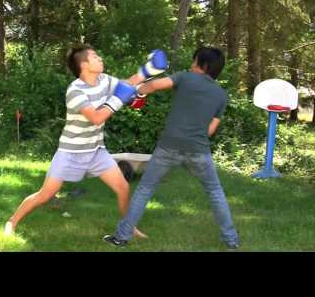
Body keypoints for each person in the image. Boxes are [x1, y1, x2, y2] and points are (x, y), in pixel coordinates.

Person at [4, 44, 168, 238]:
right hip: (70, 151)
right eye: (95, 56)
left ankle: (128, 227)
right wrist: (117, 100)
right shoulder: (75, 91)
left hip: (96, 150)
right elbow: (97, 118)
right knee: (46, 194)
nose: (100, 59)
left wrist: (149, 70)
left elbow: (128, 84)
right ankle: (11, 222)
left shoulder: (104, 80)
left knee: (123, 187)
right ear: (84, 64)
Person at [103, 47, 240, 249]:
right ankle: (231, 240)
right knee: (214, 191)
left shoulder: (185, 77)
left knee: (145, 189)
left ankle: (122, 237)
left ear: (203, 65)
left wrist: (135, 91)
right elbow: (211, 129)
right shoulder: (221, 95)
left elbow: (154, 86)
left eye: (194, 62)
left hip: (169, 146)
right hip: (198, 149)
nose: (191, 65)